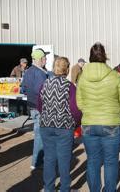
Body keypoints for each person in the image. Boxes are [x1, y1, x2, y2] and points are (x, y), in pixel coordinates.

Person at [76, 42, 120, 192]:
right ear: (105, 56)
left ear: (90, 56)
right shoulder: (115, 76)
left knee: (93, 161)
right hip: (111, 123)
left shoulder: (82, 76)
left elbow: (79, 102)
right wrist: (117, 113)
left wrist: (88, 111)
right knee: (111, 162)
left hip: (89, 123)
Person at [37, 57, 82, 192]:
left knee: (49, 159)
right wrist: (76, 122)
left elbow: (40, 105)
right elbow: (75, 109)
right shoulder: (69, 86)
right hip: (64, 126)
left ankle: (49, 188)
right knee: (64, 160)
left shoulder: (45, 83)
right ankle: (65, 189)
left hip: (46, 125)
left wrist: (48, 116)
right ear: (67, 69)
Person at [21, 48, 48, 169]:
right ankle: (36, 161)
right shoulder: (40, 73)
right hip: (40, 107)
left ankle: (37, 160)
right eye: (44, 58)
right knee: (40, 134)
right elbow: (42, 91)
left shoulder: (28, 71)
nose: (46, 60)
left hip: (32, 106)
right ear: (40, 59)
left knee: (38, 133)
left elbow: (24, 89)